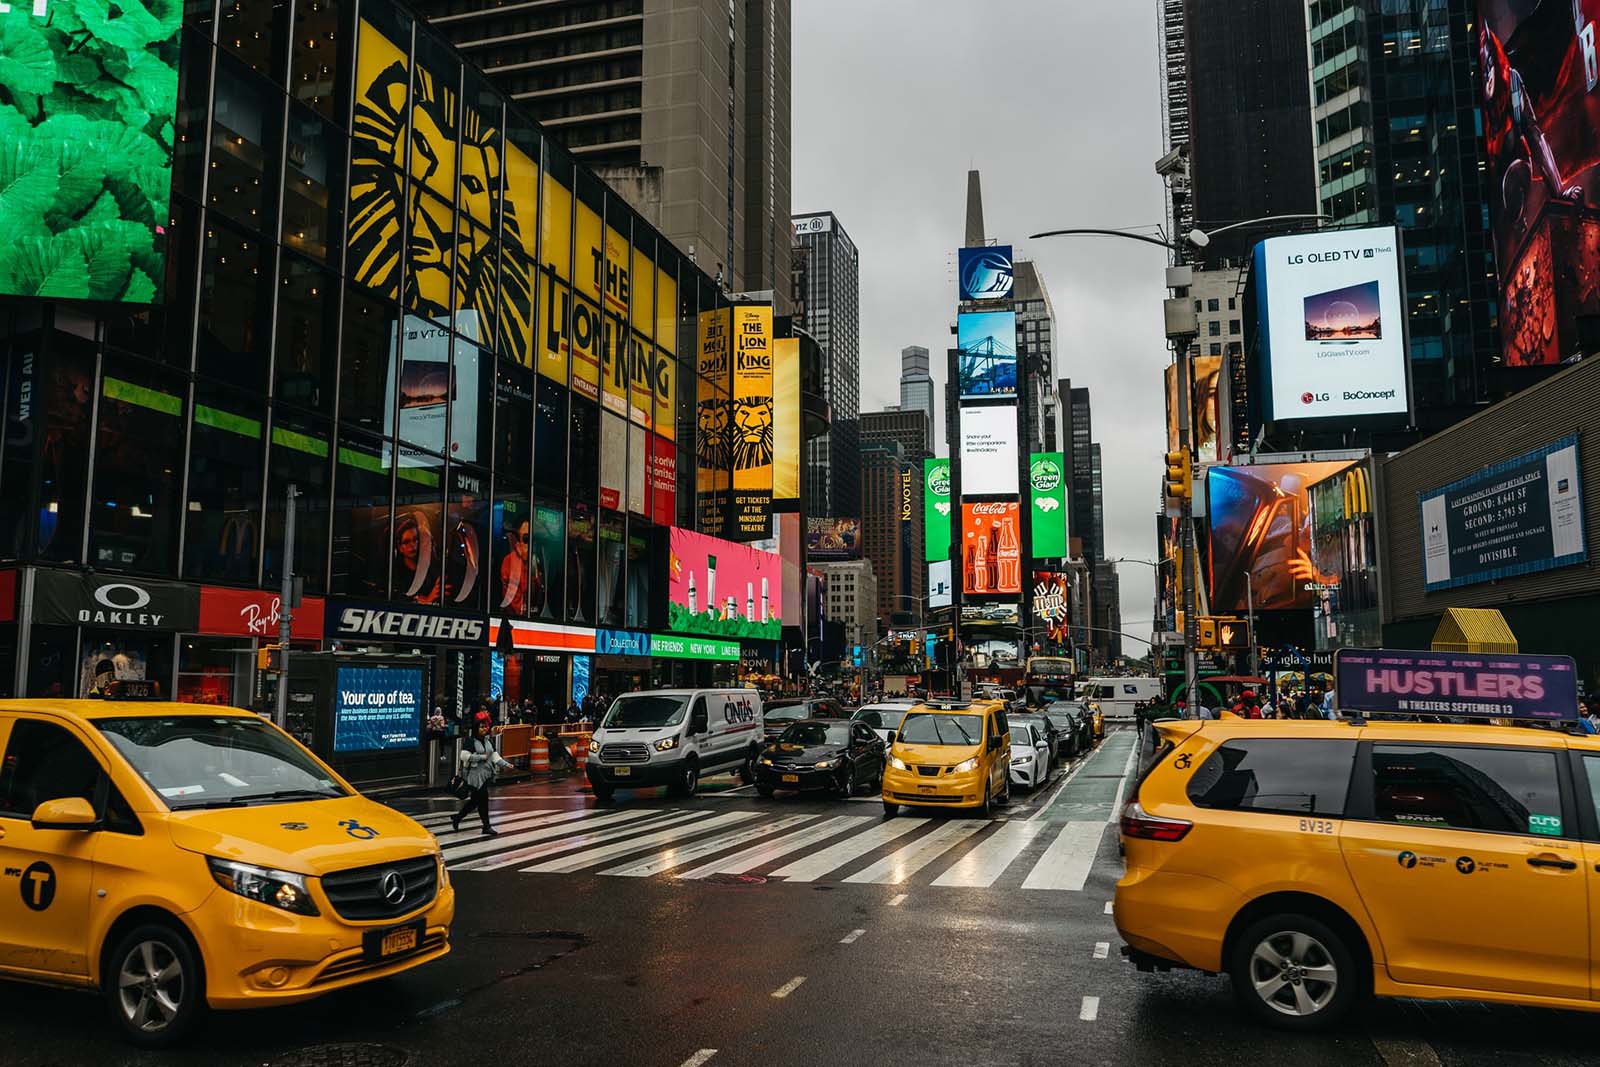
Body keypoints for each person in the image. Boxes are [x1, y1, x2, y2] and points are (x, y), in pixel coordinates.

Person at [453, 712, 513, 837]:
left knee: (475, 801)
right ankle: (486, 826)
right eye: (481, 727)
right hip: (474, 776)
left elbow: (494, 756)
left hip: (485, 775)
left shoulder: (488, 740)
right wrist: (480, 757)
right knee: (483, 800)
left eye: (485, 726)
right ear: (476, 728)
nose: (484, 729)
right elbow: (463, 756)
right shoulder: (470, 741)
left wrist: (505, 764)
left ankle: (457, 818)